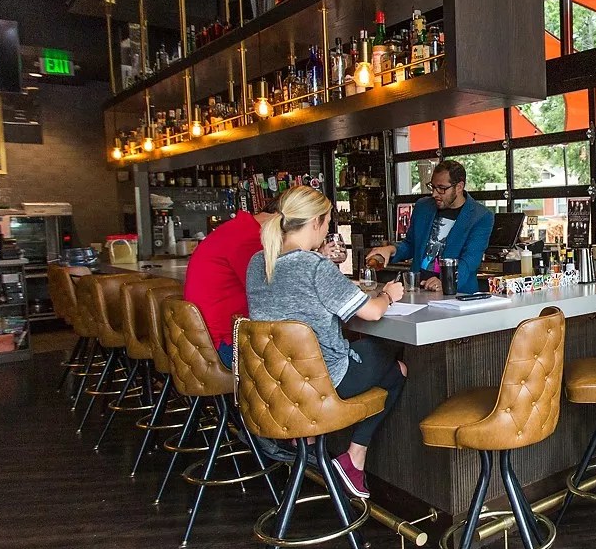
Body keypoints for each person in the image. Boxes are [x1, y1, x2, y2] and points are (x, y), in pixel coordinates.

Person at [246, 186, 406, 500]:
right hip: (321, 382)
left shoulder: (258, 262)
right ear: (316, 222)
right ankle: (353, 459)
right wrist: (389, 294)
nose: (327, 230)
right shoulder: (314, 267)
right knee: (396, 367)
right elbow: (372, 312)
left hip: (275, 386)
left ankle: (305, 442)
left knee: (369, 354)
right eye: (328, 223)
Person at [185, 200, 344, 369]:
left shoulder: (238, 229)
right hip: (225, 346)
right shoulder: (250, 239)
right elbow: (280, 293)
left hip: (204, 341)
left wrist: (314, 259)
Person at [367, 159, 493, 293]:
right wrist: (390, 250)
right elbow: (411, 245)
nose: (434, 194)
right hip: (417, 290)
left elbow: (470, 261)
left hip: (456, 295)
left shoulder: (481, 216)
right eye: (433, 187)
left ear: (459, 187)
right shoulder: (423, 206)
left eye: (442, 188)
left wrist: (446, 282)